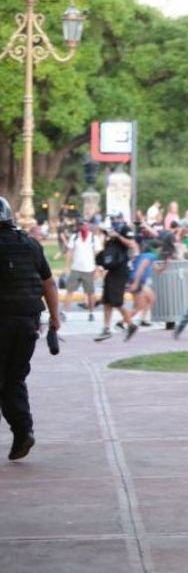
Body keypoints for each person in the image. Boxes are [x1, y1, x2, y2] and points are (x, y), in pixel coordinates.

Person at [0, 197, 60, 460]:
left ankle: (23, 433)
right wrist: (55, 318)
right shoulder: (30, 244)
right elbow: (49, 284)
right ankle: (23, 432)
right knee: (14, 378)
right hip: (28, 324)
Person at [95, 213, 140, 342]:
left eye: (116, 218)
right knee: (107, 300)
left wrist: (118, 236)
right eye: (112, 218)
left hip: (121, 270)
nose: (114, 220)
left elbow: (131, 244)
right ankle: (106, 329)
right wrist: (106, 235)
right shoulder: (111, 231)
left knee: (116, 301)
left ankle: (131, 325)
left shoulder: (125, 229)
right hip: (112, 270)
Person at [61, 220, 101, 322]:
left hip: (89, 269)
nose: (83, 227)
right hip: (76, 269)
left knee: (90, 293)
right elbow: (70, 252)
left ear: (88, 226)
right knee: (69, 291)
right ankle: (65, 312)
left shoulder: (93, 238)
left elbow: (98, 255)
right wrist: (66, 266)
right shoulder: (75, 237)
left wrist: (97, 269)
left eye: (85, 225)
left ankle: (91, 313)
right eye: (81, 225)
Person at [128, 240, 161, 327]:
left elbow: (158, 270)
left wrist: (166, 264)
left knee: (151, 298)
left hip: (140, 282)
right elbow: (140, 268)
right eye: (160, 249)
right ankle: (122, 322)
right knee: (139, 306)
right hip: (137, 281)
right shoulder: (150, 256)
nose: (161, 251)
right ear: (155, 249)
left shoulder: (147, 256)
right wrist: (135, 283)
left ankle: (143, 319)